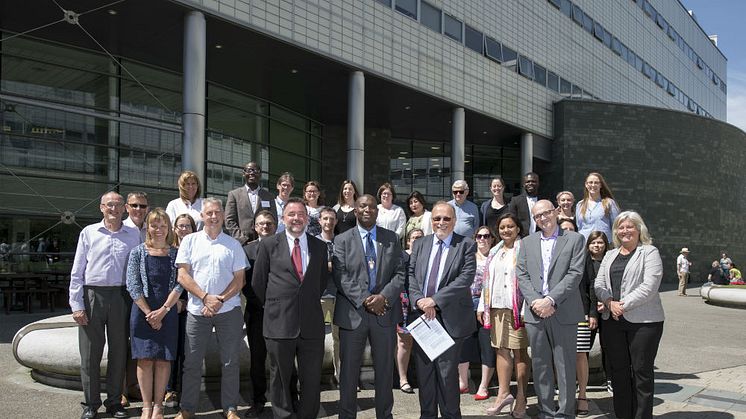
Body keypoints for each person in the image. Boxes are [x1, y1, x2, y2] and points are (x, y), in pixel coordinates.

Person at [252, 197, 329, 419]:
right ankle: (284, 415)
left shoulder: (320, 246)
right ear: (283, 219)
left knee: (312, 378)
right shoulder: (268, 245)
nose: (296, 218)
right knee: (280, 378)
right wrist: (276, 306)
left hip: (311, 323)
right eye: (291, 214)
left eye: (300, 214)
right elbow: (258, 283)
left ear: (307, 217)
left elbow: (321, 281)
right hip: (279, 323)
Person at [69, 191, 141, 419]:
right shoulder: (89, 233)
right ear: (101, 207)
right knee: (90, 353)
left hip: (122, 296)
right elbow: (77, 271)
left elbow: (139, 268)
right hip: (93, 296)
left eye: (118, 205)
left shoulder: (133, 234)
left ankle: (114, 402)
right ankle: (90, 404)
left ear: (125, 209)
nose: (114, 209)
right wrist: (77, 305)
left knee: (119, 352)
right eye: (109, 205)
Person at [333, 194, 405, 419]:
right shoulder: (342, 240)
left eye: (372, 207)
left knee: (384, 371)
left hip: (384, 313)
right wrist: (365, 299)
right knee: (348, 372)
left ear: (377, 211)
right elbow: (340, 275)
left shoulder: (392, 238)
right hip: (353, 314)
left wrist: (383, 297)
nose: (367, 210)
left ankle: (385, 415)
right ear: (355, 210)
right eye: (362, 206)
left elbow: (401, 272)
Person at [175, 197, 247, 419]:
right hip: (197, 312)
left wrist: (220, 300)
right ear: (202, 216)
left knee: (230, 362)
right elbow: (183, 275)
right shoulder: (190, 241)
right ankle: (187, 408)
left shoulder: (233, 244)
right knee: (192, 362)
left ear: (223, 215)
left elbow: (240, 280)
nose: (213, 216)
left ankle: (230, 408)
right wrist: (205, 298)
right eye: (209, 213)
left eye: (217, 212)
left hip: (229, 310)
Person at [516, 200, 585, 419]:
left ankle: (565, 413)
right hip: (535, 313)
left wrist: (551, 300)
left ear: (556, 212)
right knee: (540, 364)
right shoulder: (527, 242)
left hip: (562, 311)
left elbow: (575, 274)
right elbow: (522, 274)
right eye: (537, 216)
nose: (542, 218)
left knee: (565, 365)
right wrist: (536, 301)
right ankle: (545, 410)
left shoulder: (575, 239)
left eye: (546, 213)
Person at [407, 201, 477, 419]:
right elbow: (410, 274)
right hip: (422, 318)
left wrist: (434, 301)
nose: (441, 223)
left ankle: (451, 415)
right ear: (431, 220)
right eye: (437, 218)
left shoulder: (465, 244)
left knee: (447, 375)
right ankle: (427, 415)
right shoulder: (420, 244)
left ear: (454, 221)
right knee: (425, 374)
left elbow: (465, 278)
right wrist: (419, 300)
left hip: (450, 319)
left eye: (446, 218)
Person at [594, 211, 665, 419]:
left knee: (641, 373)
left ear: (638, 229)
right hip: (612, 322)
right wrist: (609, 302)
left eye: (629, 226)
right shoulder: (609, 255)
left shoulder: (649, 252)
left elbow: (649, 286)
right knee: (619, 372)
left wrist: (621, 305)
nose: (625, 231)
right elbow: (598, 284)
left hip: (644, 322)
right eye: (620, 227)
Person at [125, 208, 183, 419]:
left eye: (163, 225)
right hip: (142, 312)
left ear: (168, 228)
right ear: (147, 228)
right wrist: (150, 313)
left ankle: (159, 406)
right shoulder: (137, 252)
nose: (159, 230)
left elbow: (180, 284)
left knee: (164, 360)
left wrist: (164, 311)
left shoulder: (176, 254)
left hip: (167, 311)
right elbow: (133, 285)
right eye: (154, 225)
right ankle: (146, 407)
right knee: (145, 359)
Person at [479, 213, 529, 417]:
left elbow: (529, 280)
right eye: (502, 227)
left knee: (519, 353)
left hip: (517, 308)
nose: (506, 230)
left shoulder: (525, 249)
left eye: (510, 226)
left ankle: (521, 398)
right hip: (497, 307)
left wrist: (526, 307)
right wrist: (483, 306)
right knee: (501, 350)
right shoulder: (495, 251)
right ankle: (503, 394)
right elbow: (486, 281)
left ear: (518, 228)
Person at [241, 210, 277, 417]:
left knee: (283, 358)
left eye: (269, 224)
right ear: (255, 227)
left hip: (281, 313)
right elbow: (244, 284)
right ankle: (258, 400)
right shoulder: (246, 251)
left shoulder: (284, 247)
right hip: (256, 312)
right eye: (261, 224)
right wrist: (263, 304)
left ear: (275, 225)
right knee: (257, 359)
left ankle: (289, 397)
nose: (265, 227)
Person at [459, 226, 497, 400]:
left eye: (486, 236)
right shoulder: (468, 257)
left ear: (492, 239)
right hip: (467, 304)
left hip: (489, 306)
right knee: (464, 344)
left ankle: (483, 386)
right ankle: (463, 382)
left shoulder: (496, 257)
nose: (482, 239)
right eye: (479, 236)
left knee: (486, 346)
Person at [164, 214, 197, 409]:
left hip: (191, 305)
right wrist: (174, 302)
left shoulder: (197, 249)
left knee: (187, 351)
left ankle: (185, 390)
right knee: (172, 349)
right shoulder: (170, 251)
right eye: (180, 226)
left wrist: (186, 302)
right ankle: (169, 390)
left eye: (188, 226)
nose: (183, 229)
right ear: (174, 229)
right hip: (172, 305)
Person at [577, 231, 609, 416]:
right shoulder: (582, 257)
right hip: (580, 311)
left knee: (596, 348)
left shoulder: (607, 260)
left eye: (600, 242)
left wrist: (594, 310)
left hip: (595, 311)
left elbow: (592, 285)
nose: (597, 246)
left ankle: (605, 380)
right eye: (594, 242)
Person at [396, 228, 424, 394]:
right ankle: (402, 378)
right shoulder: (402, 256)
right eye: (414, 238)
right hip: (404, 301)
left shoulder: (428, 255)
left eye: (420, 237)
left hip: (423, 302)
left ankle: (421, 377)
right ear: (408, 241)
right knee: (403, 342)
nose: (417, 240)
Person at [225, 161, 277, 245]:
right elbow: (229, 221)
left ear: (260, 174)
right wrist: (242, 239)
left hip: (264, 242)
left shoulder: (269, 196)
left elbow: (274, 220)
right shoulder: (234, 195)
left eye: (255, 170)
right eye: (249, 170)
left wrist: (266, 238)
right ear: (243, 174)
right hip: (241, 244)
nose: (252, 173)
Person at [317, 206, 341, 383]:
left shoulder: (341, 242)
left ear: (336, 221)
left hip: (338, 295)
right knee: (314, 338)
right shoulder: (312, 242)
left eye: (332, 219)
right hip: (318, 295)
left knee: (338, 338)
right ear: (319, 221)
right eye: (325, 218)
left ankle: (340, 375)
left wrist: (328, 266)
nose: (328, 222)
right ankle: (311, 378)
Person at [576, 172, 620, 241]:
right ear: (586, 185)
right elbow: (579, 226)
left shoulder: (609, 203)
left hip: (604, 244)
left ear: (601, 185)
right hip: (584, 244)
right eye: (590, 182)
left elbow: (616, 225)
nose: (593, 185)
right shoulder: (580, 205)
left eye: (596, 183)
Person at [507, 172, 541, 237]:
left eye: (533, 181)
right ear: (524, 184)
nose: (530, 183)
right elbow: (511, 221)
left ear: (538, 183)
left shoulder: (544, 201)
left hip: (540, 238)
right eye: (528, 182)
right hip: (522, 239)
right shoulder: (515, 201)